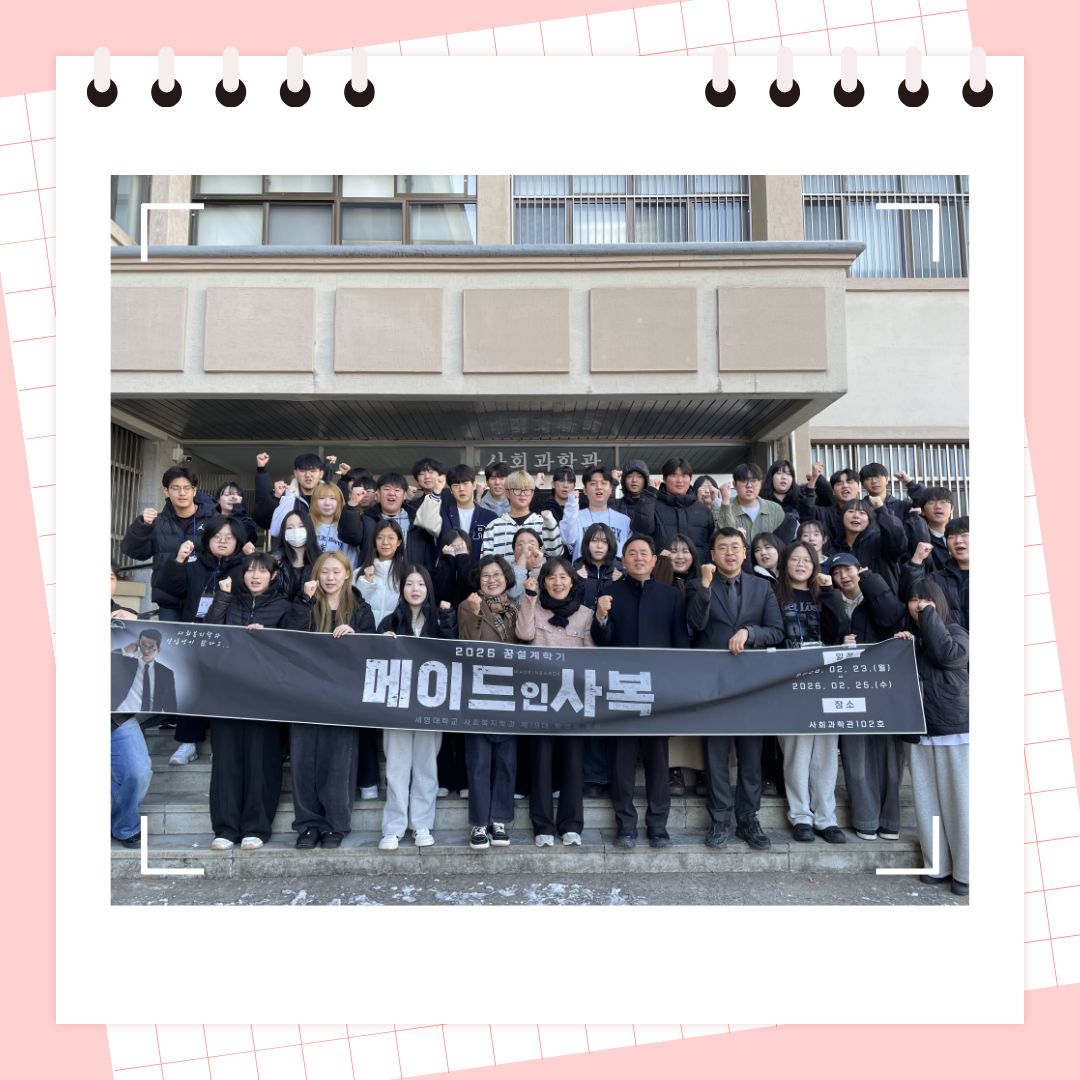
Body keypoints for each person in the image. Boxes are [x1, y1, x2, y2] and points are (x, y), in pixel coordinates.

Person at [687, 528, 785, 851]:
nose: (729, 553)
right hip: (712, 684)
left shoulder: (763, 587)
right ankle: (719, 819)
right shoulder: (698, 585)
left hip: (750, 685)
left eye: (735, 547)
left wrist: (749, 632)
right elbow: (695, 625)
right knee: (715, 755)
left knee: (751, 755)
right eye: (722, 548)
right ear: (712, 554)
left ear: (745, 553)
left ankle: (748, 818)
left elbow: (776, 631)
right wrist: (704, 586)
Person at [591, 534, 690, 849]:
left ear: (653, 559)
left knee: (658, 760)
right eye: (631, 553)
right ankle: (625, 825)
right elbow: (601, 641)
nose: (638, 558)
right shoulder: (610, 593)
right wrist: (601, 616)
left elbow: (680, 644)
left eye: (643, 553)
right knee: (621, 761)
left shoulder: (670, 595)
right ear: (623, 559)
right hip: (621, 688)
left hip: (658, 690)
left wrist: (675, 689)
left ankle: (658, 826)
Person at [202, 553, 296, 850]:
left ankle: (256, 827)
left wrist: (269, 637)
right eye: (250, 571)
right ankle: (225, 828)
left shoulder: (284, 606)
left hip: (265, 696)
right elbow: (209, 632)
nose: (255, 576)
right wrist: (222, 596)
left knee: (262, 761)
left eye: (262, 571)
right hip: (227, 692)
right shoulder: (231, 601)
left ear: (273, 576)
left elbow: (294, 646)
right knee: (226, 761)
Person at [283, 551, 376, 848]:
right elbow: (288, 637)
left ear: (347, 574)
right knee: (303, 760)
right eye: (325, 572)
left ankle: (336, 824)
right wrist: (305, 601)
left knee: (338, 761)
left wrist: (355, 634)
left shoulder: (360, 608)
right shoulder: (305, 603)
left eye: (336, 571)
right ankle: (308, 825)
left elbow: (372, 648)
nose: (330, 577)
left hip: (342, 696)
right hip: (305, 693)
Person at [151, 515, 251, 765]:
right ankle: (188, 743)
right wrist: (179, 560)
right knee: (191, 687)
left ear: (238, 542)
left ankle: (222, 744)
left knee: (224, 690)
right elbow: (170, 588)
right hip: (195, 636)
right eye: (217, 536)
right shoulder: (196, 564)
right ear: (207, 540)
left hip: (230, 639)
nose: (223, 541)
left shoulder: (246, 568)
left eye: (229, 537)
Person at [897, 579, 970, 897]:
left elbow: (948, 656)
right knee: (928, 804)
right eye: (914, 599)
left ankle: (966, 871)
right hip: (919, 731)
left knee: (960, 803)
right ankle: (937, 865)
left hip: (956, 730)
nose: (918, 604)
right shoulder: (910, 640)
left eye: (926, 599)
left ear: (938, 601)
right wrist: (904, 646)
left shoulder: (956, 632)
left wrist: (928, 617)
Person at [827, 553, 907, 841]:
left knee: (890, 759)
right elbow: (824, 638)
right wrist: (839, 642)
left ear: (859, 570)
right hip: (847, 688)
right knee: (856, 758)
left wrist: (870, 580)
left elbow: (892, 616)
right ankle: (866, 818)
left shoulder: (874, 594)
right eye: (837, 572)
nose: (843, 576)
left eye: (848, 569)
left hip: (884, 686)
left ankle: (890, 821)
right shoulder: (832, 601)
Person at [516, 557, 593, 847]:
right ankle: (543, 826)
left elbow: (592, 655)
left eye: (563, 577)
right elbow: (523, 634)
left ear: (572, 581)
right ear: (544, 582)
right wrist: (528, 598)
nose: (558, 583)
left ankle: (571, 825)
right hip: (540, 699)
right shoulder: (534, 607)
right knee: (541, 763)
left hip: (572, 699)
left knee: (573, 763)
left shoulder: (586, 614)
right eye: (551, 578)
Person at [774, 542, 848, 844]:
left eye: (807, 560)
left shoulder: (825, 594)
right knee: (797, 752)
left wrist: (829, 592)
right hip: (788, 683)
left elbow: (839, 629)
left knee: (826, 754)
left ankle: (826, 818)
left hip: (825, 680)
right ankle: (801, 816)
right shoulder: (775, 594)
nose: (801, 564)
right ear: (785, 563)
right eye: (795, 559)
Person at [377, 566, 454, 850]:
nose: (415, 589)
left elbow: (452, 653)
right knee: (396, 767)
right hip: (397, 705)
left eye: (421, 584)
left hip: (430, 705)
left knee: (426, 765)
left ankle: (422, 823)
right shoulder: (389, 621)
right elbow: (375, 660)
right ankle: (393, 827)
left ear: (428, 588)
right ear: (402, 589)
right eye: (410, 584)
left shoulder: (441, 619)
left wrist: (447, 620)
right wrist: (382, 643)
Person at [458, 555, 520, 850]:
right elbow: (466, 644)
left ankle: (500, 819)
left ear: (507, 578)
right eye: (486, 575)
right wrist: (474, 614)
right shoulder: (468, 605)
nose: (492, 580)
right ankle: (480, 823)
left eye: (497, 575)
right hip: (478, 692)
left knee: (506, 761)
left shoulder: (516, 608)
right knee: (479, 761)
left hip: (510, 693)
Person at [120, 465, 218, 621]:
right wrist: (142, 526)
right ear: (166, 491)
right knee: (170, 637)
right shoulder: (158, 522)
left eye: (187, 488)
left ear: (194, 490)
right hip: (169, 599)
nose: (182, 493)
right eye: (175, 488)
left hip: (203, 597)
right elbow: (135, 552)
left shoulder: (213, 520)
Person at [652, 533, 706, 798]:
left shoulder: (703, 581)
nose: (680, 555)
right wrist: (662, 567)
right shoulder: (658, 583)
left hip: (700, 656)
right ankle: (672, 769)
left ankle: (703, 768)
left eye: (685, 550)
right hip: (668, 659)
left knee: (700, 713)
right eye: (673, 550)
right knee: (671, 713)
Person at [109, 619, 160, 849]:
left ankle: (124, 826)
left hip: (116, 717)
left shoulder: (120, 620)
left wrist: (127, 614)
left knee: (138, 771)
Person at [631, 456, 715, 564]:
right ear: (665, 479)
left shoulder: (703, 510)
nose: (679, 480)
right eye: (674, 475)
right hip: (661, 570)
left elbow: (711, 544)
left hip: (697, 571)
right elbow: (641, 530)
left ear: (690, 479)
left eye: (684, 475)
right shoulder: (651, 505)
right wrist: (650, 495)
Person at [415, 463, 497, 563]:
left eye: (465, 483)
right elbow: (424, 522)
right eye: (456, 485)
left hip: (479, 571)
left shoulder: (489, 516)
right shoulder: (442, 514)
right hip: (448, 570)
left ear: (473, 485)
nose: (461, 488)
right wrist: (436, 491)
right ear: (451, 490)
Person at [901, 519, 970, 629]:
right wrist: (917, 560)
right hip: (947, 638)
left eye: (964, 535)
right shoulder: (936, 579)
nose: (958, 540)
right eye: (951, 537)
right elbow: (910, 593)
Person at [480, 470, 563, 560]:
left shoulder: (543, 523)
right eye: (517, 489)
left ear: (532, 493)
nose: (522, 494)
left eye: (527, 490)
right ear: (507, 493)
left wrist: (550, 523)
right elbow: (486, 562)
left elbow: (556, 553)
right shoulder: (493, 527)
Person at [560, 465, 632, 560]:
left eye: (603, 483)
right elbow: (566, 539)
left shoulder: (624, 521)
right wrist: (571, 506)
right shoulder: (575, 518)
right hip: (583, 569)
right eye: (593, 483)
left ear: (611, 489)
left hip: (616, 570)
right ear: (585, 490)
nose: (599, 487)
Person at [713, 463, 790, 541]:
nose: (749, 485)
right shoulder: (723, 508)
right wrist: (725, 502)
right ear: (734, 484)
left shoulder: (775, 509)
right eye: (743, 480)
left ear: (760, 484)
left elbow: (782, 542)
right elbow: (723, 538)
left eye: (754, 481)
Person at [262, 452, 330, 538]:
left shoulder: (332, 497)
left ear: (321, 474)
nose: (308, 475)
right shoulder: (285, 496)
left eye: (313, 471)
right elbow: (272, 528)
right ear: (295, 473)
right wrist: (277, 497)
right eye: (302, 471)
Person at [356, 519, 407, 630]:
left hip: (394, 636)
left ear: (399, 542)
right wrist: (366, 583)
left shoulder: (407, 575)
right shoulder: (359, 574)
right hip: (365, 634)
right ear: (374, 541)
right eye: (380, 538)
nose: (385, 542)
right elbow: (354, 606)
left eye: (391, 538)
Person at [269, 507, 321, 600]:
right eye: (290, 528)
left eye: (301, 526)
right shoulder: (273, 561)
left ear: (309, 529)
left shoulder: (321, 561)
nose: (296, 531)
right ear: (284, 533)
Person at [572, 522, 623, 612]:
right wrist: (580, 581)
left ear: (610, 544)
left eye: (604, 541)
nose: (599, 546)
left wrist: (620, 581)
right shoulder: (575, 569)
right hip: (583, 619)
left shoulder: (621, 570)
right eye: (594, 541)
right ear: (586, 543)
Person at [308, 482, 360, 567]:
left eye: (332, 498)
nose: (327, 503)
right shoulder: (307, 525)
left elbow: (351, 560)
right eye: (321, 498)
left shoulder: (345, 528)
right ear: (314, 502)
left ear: (339, 502)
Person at [212, 481, 258, 546]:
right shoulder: (210, 521)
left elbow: (244, 538)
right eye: (227, 495)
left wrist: (238, 510)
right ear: (218, 500)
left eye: (236, 495)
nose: (232, 498)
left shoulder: (248, 523)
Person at [507, 526, 545, 600]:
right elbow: (513, 593)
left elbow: (539, 595)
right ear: (513, 550)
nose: (526, 548)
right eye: (520, 544)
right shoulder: (505, 570)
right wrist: (523, 557)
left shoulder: (549, 569)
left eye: (532, 544)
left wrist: (536, 566)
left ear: (540, 549)